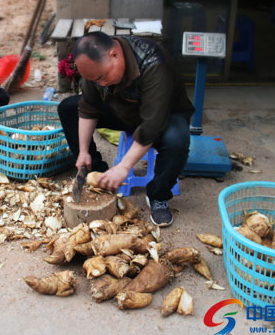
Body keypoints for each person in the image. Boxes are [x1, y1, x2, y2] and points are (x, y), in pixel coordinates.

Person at [58, 32, 194, 227]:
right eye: (95, 80)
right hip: (122, 110)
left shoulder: (154, 63)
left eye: (103, 77)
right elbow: (88, 107)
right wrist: (83, 151)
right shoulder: (96, 69)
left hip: (163, 115)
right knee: (68, 108)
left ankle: (158, 195)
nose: (100, 83)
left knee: (177, 141)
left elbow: (151, 125)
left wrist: (124, 166)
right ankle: (98, 176)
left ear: (114, 54)